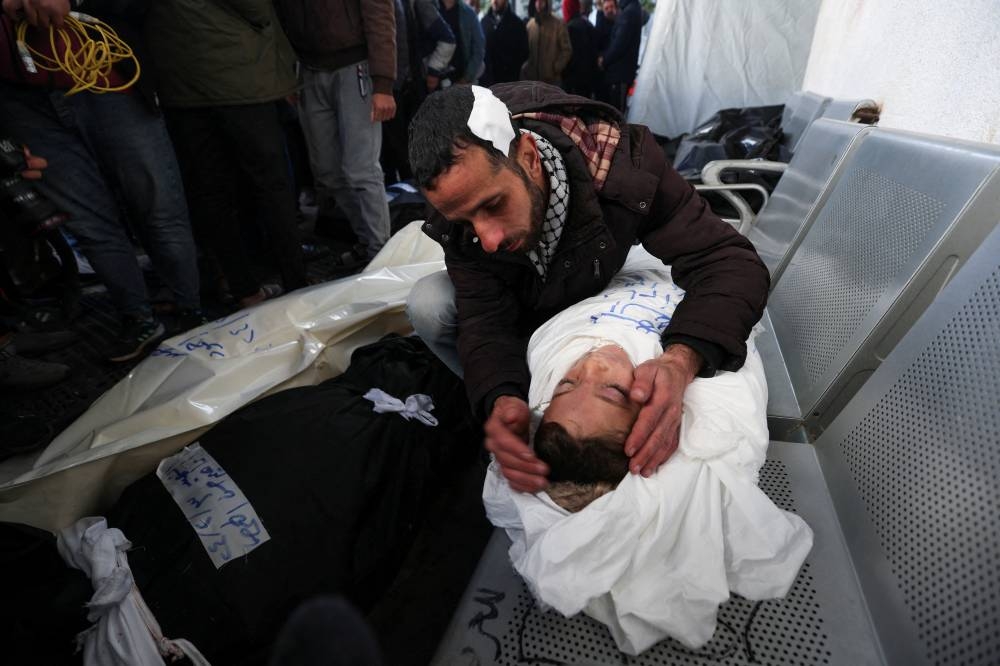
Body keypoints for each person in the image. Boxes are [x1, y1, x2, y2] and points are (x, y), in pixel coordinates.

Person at [405, 83, 770, 493]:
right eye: (466, 221)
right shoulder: (464, 206)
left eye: (493, 205)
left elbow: (728, 260)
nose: (486, 239)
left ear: (528, 157)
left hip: (593, 281)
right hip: (534, 300)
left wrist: (680, 362)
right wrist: (501, 396)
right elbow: (484, 319)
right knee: (430, 304)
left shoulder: (623, 169)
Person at [0, 0, 204, 361]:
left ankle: (191, 312)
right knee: (87, 220)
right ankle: (138, 317)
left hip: (106, 80)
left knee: (157, 204)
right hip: (21, 100)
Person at [144, 0, 309, 309]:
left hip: (178, 81)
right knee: (270, 185)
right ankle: (296, 284)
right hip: (239, 76)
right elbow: (256, 9)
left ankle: (244, 289)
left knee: (211, 192)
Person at [271, 0, 396, 267]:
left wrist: (383, 83)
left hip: (355, 66)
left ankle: (380, 254)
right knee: (327, 173)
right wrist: (287, 74)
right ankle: (368, 241)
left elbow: (379, 12)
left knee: (360, 169)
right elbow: (279, 16)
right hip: (308, 70)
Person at [597, 0, 641, 113]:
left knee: (617, 114)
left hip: (620, 73)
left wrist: (604, 60)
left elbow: (619, 43)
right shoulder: (630, 10)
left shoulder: (629, 12)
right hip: (620, 72)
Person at [479, 0, 529, 87]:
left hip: (509, 84)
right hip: (487, 84)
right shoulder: (484, 22)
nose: (494, 1)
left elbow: (524, 53)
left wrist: (511, 68)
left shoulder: (517, 24)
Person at [522, 0, 572, 86]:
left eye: (541, 1)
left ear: (547, 3)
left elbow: (566, 50)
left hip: (552, 80)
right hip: (533, 80)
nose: (538, 4)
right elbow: (526, 50)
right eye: (536, 1)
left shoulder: (558, 23)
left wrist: (556, 67)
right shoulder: (530, 25)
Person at [439, 0, 486, 85]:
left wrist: (466, 78)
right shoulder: (431, 9)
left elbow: (479, 48)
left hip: (462, 79)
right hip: (435, 78)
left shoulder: (468, 13)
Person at [563, 0, 598, 98]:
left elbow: (569, 56)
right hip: (588, 79)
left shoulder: (570, 27)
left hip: (573, 80)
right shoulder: (588, 25)